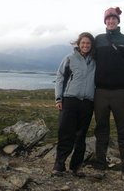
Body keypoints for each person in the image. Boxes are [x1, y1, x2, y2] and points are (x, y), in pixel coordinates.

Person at [93, 7, 124, 183]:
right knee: (101, 132)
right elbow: (90, 62)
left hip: (121, 94)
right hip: (101, 93)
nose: (111, 21)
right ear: (105, 21)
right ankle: (100, 167)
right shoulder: (98, 40)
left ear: (118, 21)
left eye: (114, 19)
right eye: (108, 19)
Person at [52, 32, 96, 177]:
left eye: (88, 43)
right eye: (83, 43)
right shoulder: (69, 58)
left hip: (87, 103)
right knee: (65, 133)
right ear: (78, 44)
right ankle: (59, 165)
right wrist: (58, 98)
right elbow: (59, 77)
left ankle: (76, 167)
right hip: (70, 100)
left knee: (81, 136)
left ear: (91, 45)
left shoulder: (95, 61)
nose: (85, 45)